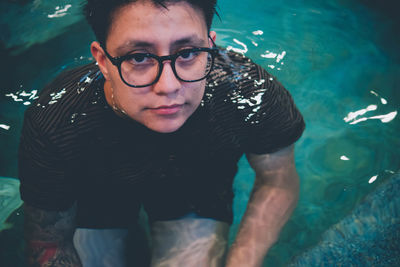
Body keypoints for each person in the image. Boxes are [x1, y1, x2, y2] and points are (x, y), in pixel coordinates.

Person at [18, 0, 305, 266]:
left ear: (211, 49)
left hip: (196, 190)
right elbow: (49, 238)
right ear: (103, 61)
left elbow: (277, 183)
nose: (168, 86)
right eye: (139, 57)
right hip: (101, 196)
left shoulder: (249, 93)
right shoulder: (58, 121)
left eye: (189, 53)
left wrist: (241, 261)